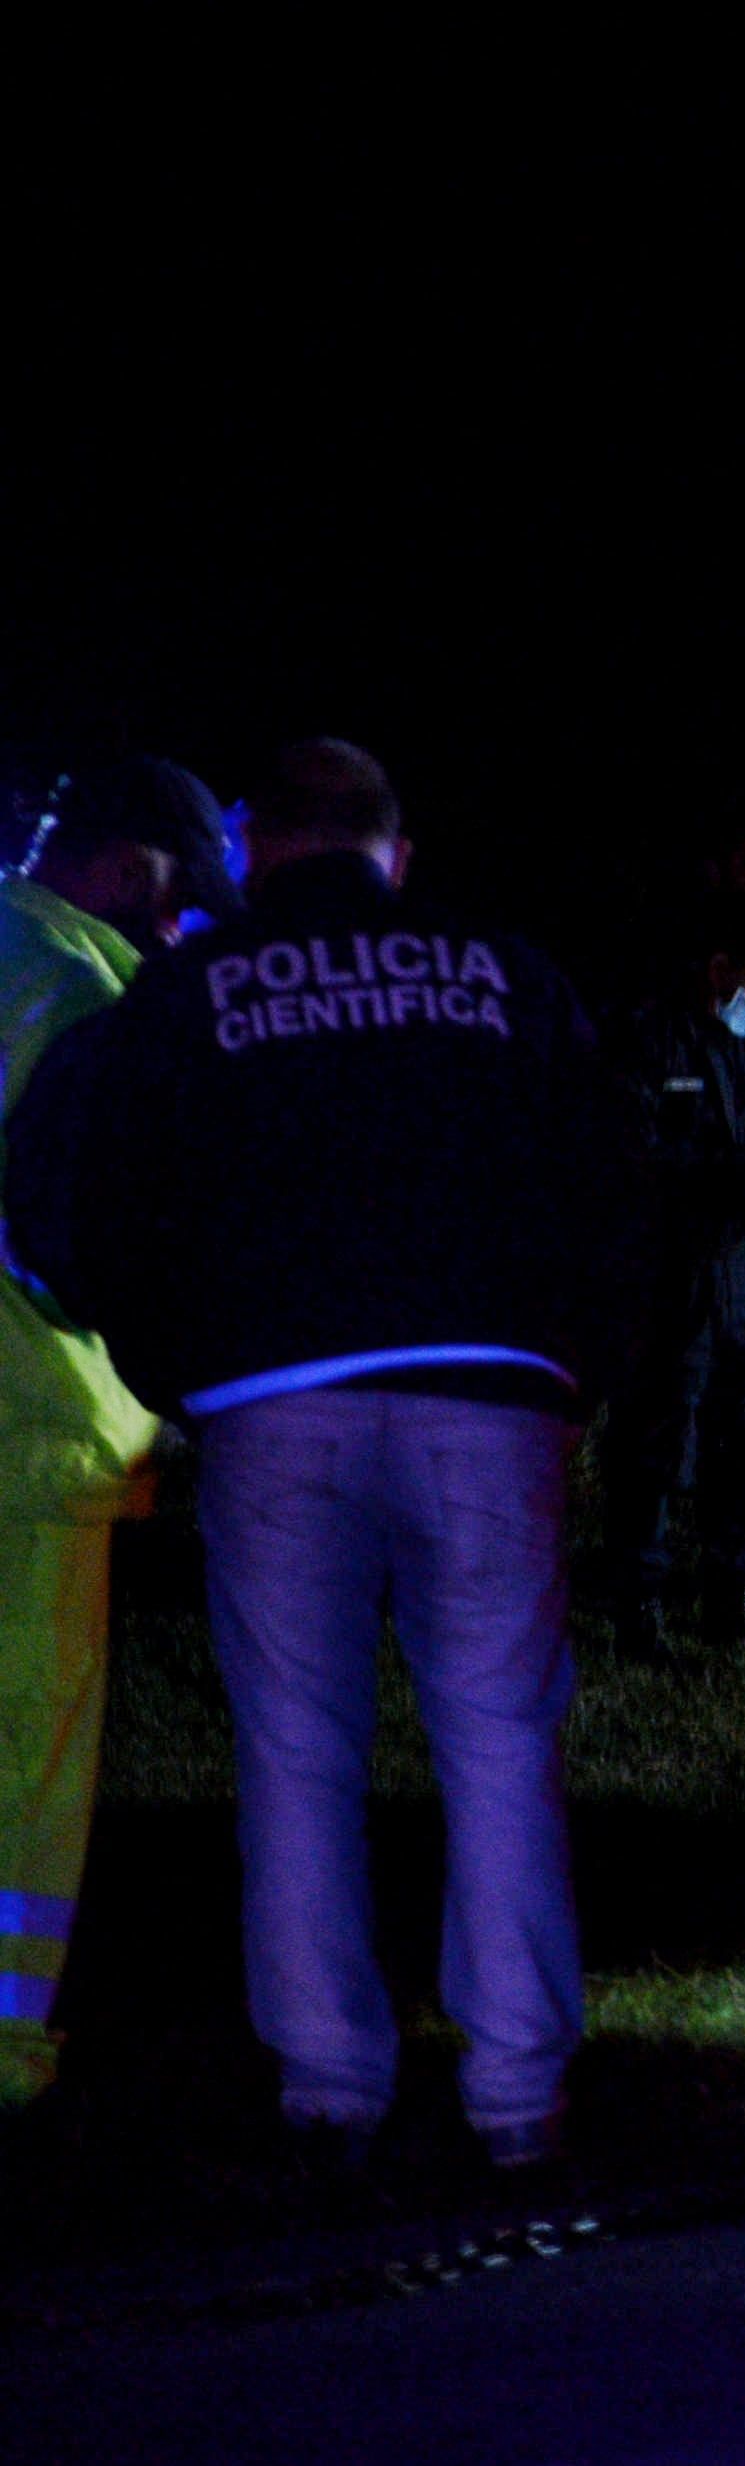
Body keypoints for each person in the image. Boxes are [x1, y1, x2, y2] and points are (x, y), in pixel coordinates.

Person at [4, 740, 636, 2165]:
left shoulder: (186, 992)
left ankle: (331, 2085)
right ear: (394, 851)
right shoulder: (507, 975)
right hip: (492, 1396)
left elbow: (88, 1198)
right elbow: (608, 1174)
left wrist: (181, 1364)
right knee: (498, 1736)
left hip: (274, 1405)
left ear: (257, 853)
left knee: (297, 1750)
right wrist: (578, 1364)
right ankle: (519, 2091)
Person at [1, 757, 237, 2108]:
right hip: (34, 1441)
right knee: (19, 1758)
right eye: (178, 895)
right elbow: (105, 1235)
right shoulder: (92, 1000)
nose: (179, 927)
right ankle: (3, 2059)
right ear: (134, 863)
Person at [603, 890, 745, 1654]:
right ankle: (639, 1600)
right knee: (658, 1440)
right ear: (722, 969)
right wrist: (730, 1174)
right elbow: (630, 1152)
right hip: (672, 1270)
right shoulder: (653, 1038)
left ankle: (735, 1591)